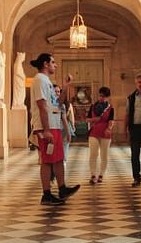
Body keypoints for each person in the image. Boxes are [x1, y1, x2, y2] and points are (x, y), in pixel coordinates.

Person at [29, 53, 80, 205]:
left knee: (58, 159)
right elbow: (42, 105)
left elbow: (57, 103)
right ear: (45, 64)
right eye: (53, 62)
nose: (55, 65)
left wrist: (65, 86)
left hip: (54, 124)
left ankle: (62, 188)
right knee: (47, 160)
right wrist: (45, 130)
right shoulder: (39, 80)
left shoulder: (47, 81)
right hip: (47, 126)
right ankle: (46, 194)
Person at [86, 86, 114, 185]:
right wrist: (94, 120)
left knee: (104, 155)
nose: (102, 98)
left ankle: (101, 174)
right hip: (94, 132)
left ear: (108, 97)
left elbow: (111, 121)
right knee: (93, 154)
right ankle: (93, 175)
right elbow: (87, 119)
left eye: (104, 96)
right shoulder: (93, 106)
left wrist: (109, 129)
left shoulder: (110, 108)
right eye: (101, 96)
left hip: (105, 133)